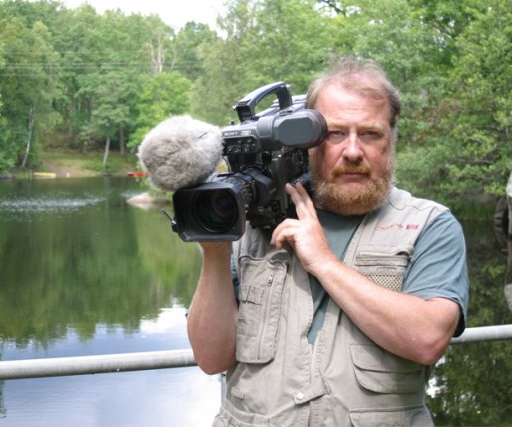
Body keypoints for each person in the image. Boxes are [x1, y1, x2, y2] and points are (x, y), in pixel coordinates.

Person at [187, 57, 469, 426]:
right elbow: (211, 358)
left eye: (369, 134)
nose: (352, 151)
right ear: (307, 142)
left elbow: (427, 339)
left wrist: (323, 262)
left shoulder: (428, 224)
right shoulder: (253, 222)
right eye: (334, 134)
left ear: (391, 140)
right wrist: (215, 249)